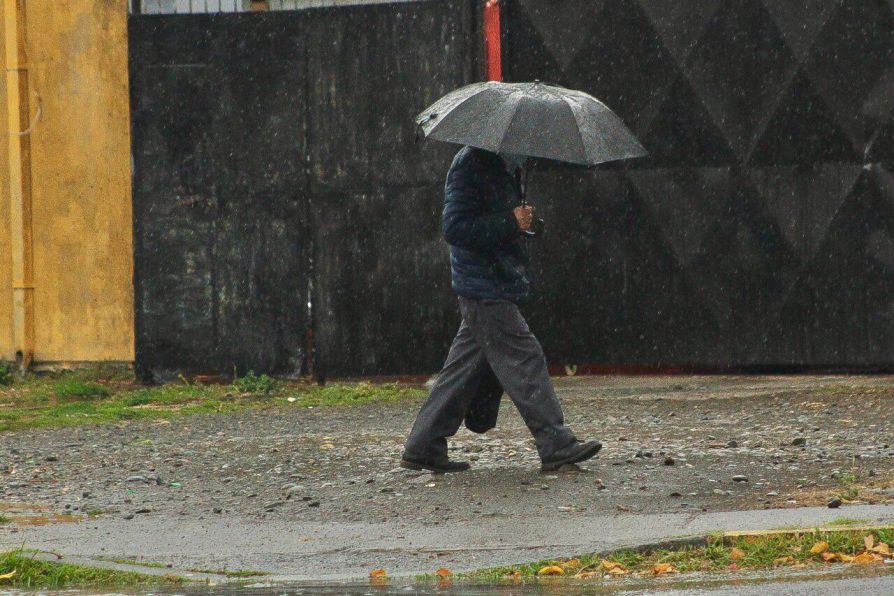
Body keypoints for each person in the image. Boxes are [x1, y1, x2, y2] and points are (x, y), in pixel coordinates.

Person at [401, 146, 601, 473]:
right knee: (526, 358)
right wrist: (510, 221)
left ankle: (423, 445)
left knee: (461, 371)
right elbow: (455, 228)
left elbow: (502, 223)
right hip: (484, 288)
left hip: (494, 284)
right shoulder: (470, 164)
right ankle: (556, 444)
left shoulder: (505, 165)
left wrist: (527, 223)